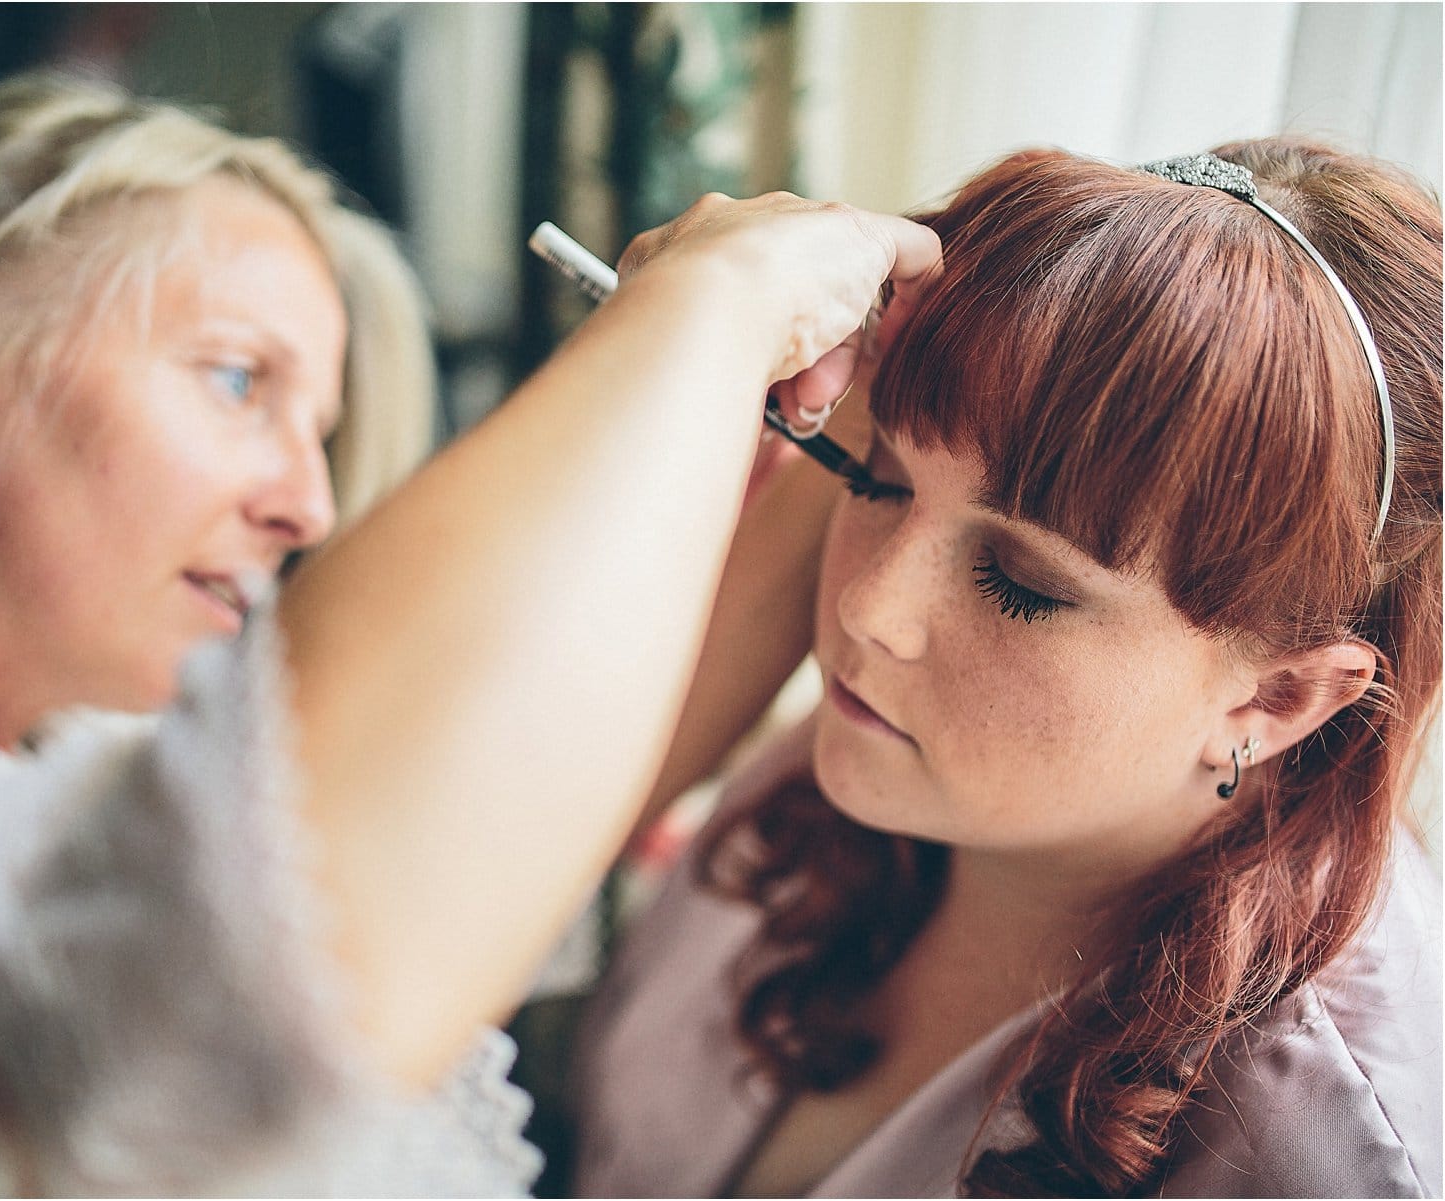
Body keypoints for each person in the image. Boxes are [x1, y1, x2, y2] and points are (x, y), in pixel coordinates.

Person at [0, 73, 942, 1195]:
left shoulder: (59, 763)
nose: (307, 503)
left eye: (316, 433)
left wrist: (815, 446)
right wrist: (709, 306)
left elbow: (468, 836)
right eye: (235, 378)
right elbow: (229, 979)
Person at [568, 139, 1442, 1197]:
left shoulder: (1332, 1150)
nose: (865, 608)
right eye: (877, 477)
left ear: (1276, 696)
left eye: (1022, 581)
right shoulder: (855, 762)